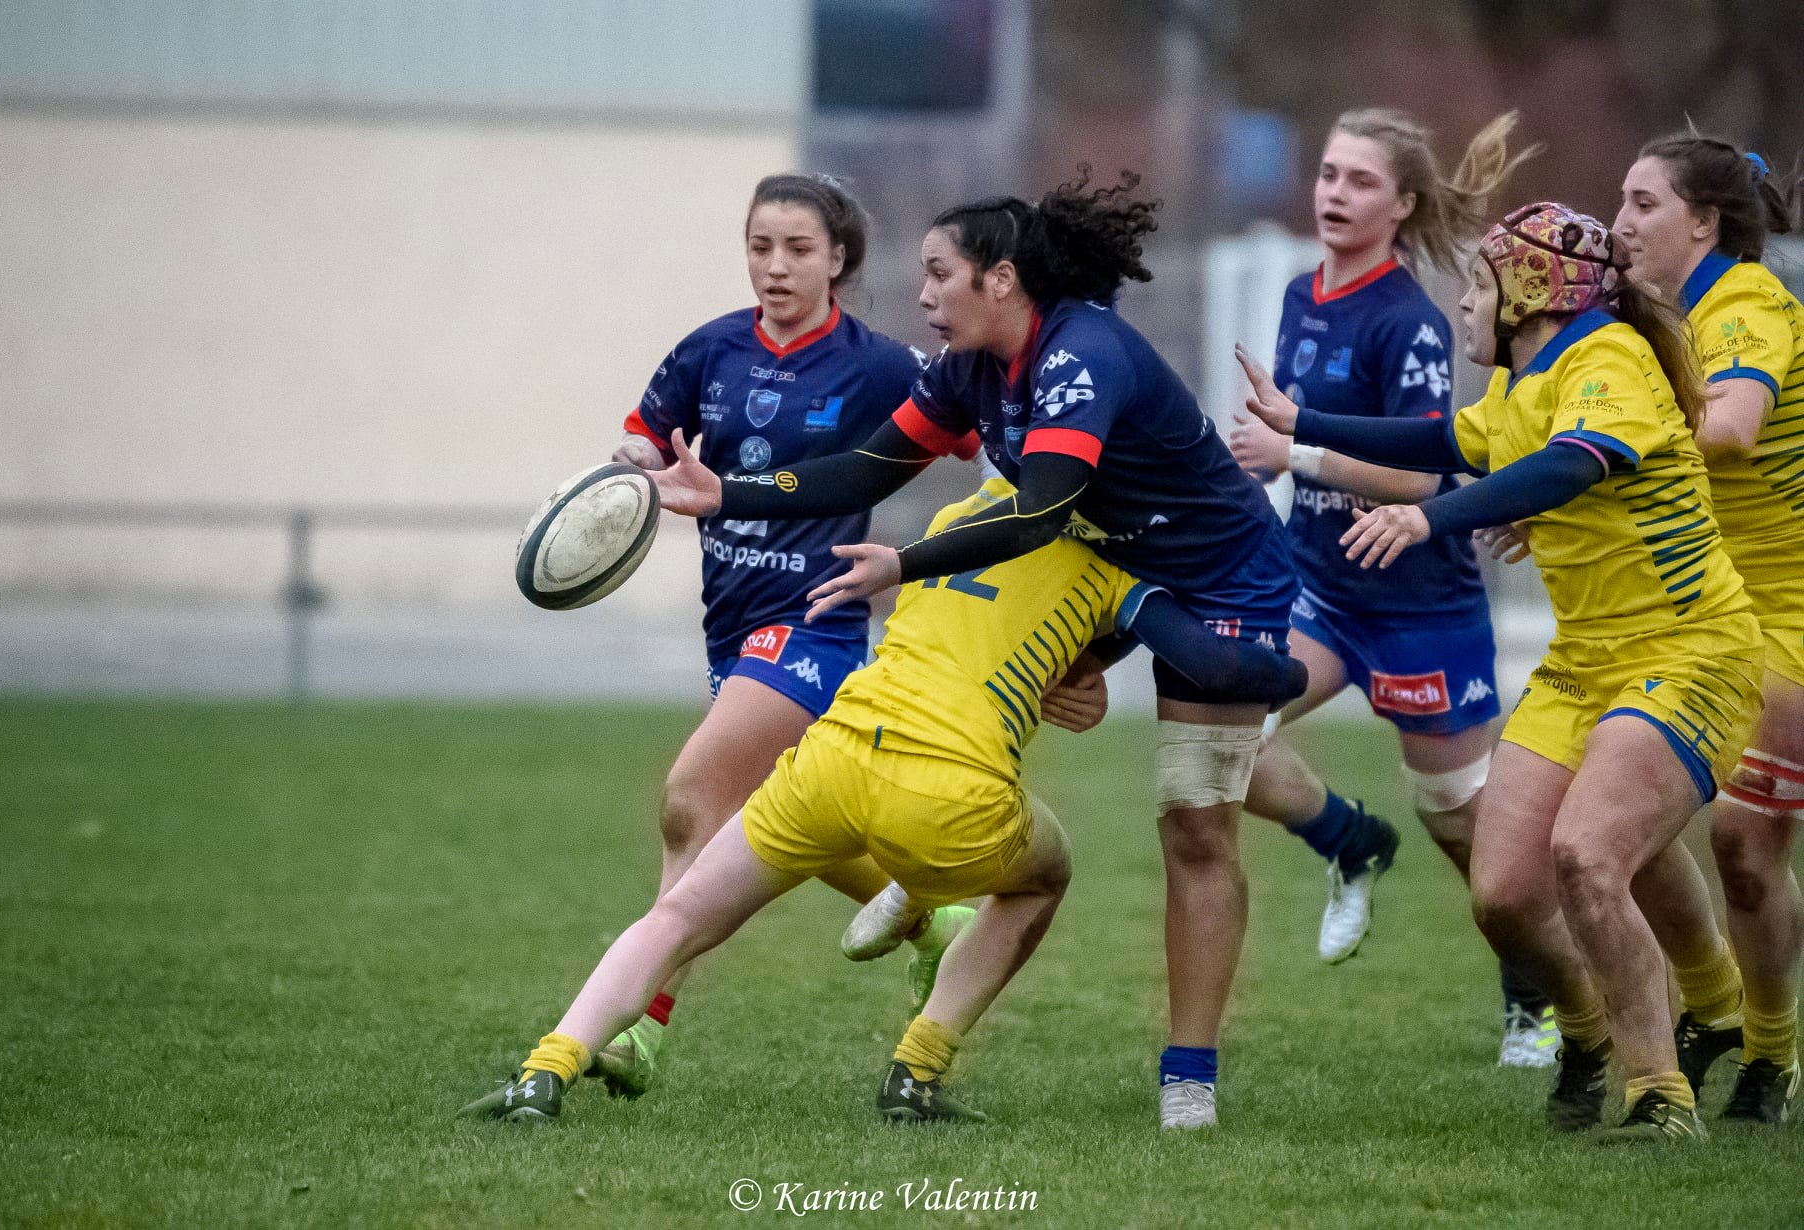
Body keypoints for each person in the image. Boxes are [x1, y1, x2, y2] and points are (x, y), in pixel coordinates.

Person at [651, 170, 1303, 1130]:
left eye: (939, 274)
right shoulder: (968, 367)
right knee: (983, 719)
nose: (921, 296)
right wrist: (727, 494)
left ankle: (1188, 1076)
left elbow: (1038, 509)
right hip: (1099, 563)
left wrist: (905, 563)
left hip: (1217, 580)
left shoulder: (1083, 356)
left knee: (1196, 825)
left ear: (1000, 281)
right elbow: (874, 463)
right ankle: (927, 881)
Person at [458, 479, 1308, 1124]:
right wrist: (1299, 666)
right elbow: (1216, 665)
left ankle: (545, 1068)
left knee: (678, 914)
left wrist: (1063, 673)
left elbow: (977, 633)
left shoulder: (953, 522)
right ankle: (918, 1067)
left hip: (830, 756)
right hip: (950, 796)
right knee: (1041, 878)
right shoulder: (1119, 564)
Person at [1240, 201, 1764, 1143]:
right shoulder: (1528, 380)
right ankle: (1590, 1031)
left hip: (1690, 650)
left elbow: (1570, 466)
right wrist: (1304, 426)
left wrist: (1425, 519)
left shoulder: (1605, 357)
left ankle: (1661, 1095)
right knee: (1506, 897)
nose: (1466, 303)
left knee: (1588, 856)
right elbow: (1448, 440)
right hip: (1583, 663)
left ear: (1529, 293)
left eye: (1480, 285)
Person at [598, 173, 974, 1098]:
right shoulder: (710, 350)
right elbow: (647, 440)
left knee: (693, 801)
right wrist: (630, 468)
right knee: (770, 824)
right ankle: (935, 921)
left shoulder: (881, 366)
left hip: (816, 624)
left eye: (798, 249)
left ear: (838, 260)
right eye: (761, 246)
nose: (775, 266)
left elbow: (976, 438)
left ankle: (637, 1027)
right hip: (729, 628)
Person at [1225, 108, 1557, 1065]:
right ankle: (1348, 841)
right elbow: (1294, 445)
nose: (1335, 193)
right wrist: (1257, 468)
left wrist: (1295, 452)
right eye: (1328, 173)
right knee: (1220, 735)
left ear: (1403, 203)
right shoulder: (1299, 294)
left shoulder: (1408, 319)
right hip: (1319, 590)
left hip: (1420, 605)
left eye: (1360, 181)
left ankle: (1532, 995)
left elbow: (1419, 479)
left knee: (1460, 820)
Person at [1607, 133, 1803, 1125]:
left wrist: (1592, 454)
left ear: (1703, 223)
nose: (1619, 224)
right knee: (1617, 823)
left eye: (1643, 203)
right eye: (1620, 202)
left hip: (1790, 618)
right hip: (1705, 615)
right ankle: (1719, 1008)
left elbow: (1725, 430)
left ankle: (1769, 1053)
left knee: (1742, 843)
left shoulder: (1748, 307)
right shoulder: (1659, 322)